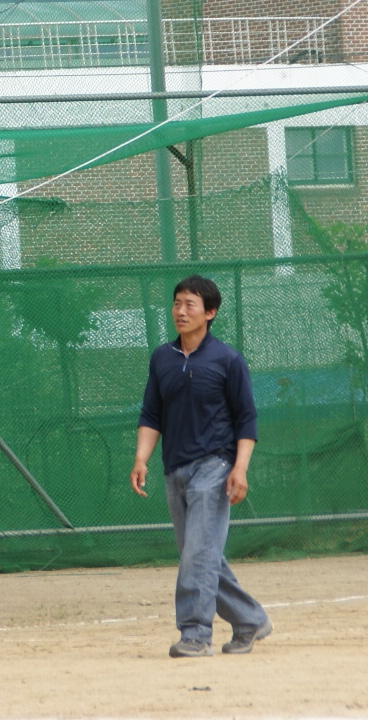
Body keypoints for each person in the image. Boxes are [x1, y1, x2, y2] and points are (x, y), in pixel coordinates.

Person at [130, 274, 271, 658]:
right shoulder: (162, 357)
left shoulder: (227, 359)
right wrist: (141, 458)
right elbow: (151, 414)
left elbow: (247, 420)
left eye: (190, 304)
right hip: (175, 469)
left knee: (198, 554)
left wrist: (239, 469)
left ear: (210, 313)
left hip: (215, 465)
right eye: (177, 303)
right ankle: (250, 619)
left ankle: (194, 633)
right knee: (201, 553)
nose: (180, 311)